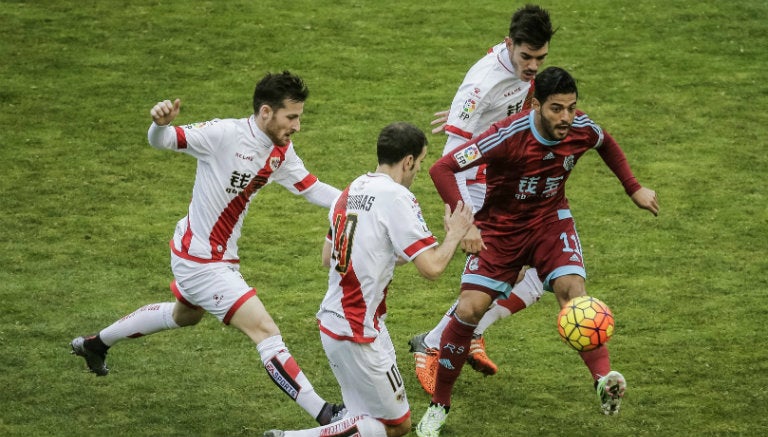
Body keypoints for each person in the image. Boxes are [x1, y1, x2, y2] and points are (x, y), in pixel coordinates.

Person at [70, 71, 346, 425]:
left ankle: (94, 344)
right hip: (201, 261)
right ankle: (326, 414)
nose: (297, 125)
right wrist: (159, 124)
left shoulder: (280, 149)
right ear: (266, 112)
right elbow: (163, 140)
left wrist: (357, 200)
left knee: (183, 316)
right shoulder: (223, 134)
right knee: (265, 331)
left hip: (211, 254)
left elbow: (309, 187)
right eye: (291, 117)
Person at [414, 66, 659, 436]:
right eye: (557, 108)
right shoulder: (506, 136)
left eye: (572, 108)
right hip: (501, 230)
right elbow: (442, 168)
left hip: (550, 223)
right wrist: (468, 224)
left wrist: (633, 188)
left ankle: (602, 379)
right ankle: (439, 405)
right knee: (468, 310)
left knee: (574, 295)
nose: (566, 118)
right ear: (536, 105)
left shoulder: (580, 129)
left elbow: (604, 141)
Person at [263, 122, 474, 437]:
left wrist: (385, 252)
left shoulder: (348, 191)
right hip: (358, 332)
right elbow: (432, 268)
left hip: (332, 325)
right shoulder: (397, 197)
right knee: (397, 425)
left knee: (360, 418)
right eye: (420, 162)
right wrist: (455, 235)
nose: (418, 171)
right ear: (408, 161)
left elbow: (327, 255)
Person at [409, 4, 556, 393]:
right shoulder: (482, 83)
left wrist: (475, 118)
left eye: (540, 58)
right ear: (509, 44)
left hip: (501, 179)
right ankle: (432, 344)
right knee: (501, 274)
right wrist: (463, 218)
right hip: (473, 188)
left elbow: (518, 104)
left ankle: (465, 334)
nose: (533, 67)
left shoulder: (519, 74)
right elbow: (447, 161)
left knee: (538, 274)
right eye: (526, 57)